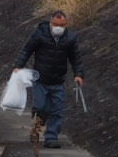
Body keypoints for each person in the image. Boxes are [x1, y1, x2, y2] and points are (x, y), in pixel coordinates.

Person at [13, 9, 84, 148]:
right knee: (41, 107)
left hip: (58, 81)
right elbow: (27, 50)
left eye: (62, 25)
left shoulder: (70, 39)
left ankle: (51, 137)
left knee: (57, 110)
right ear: (51, 23)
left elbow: (76, 58)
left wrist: (79, 74)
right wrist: (18, 66)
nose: (59, 28)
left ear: (66, 25)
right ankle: (36, 129)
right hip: (40, 79)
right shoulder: (40, 34)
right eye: (56, 25)